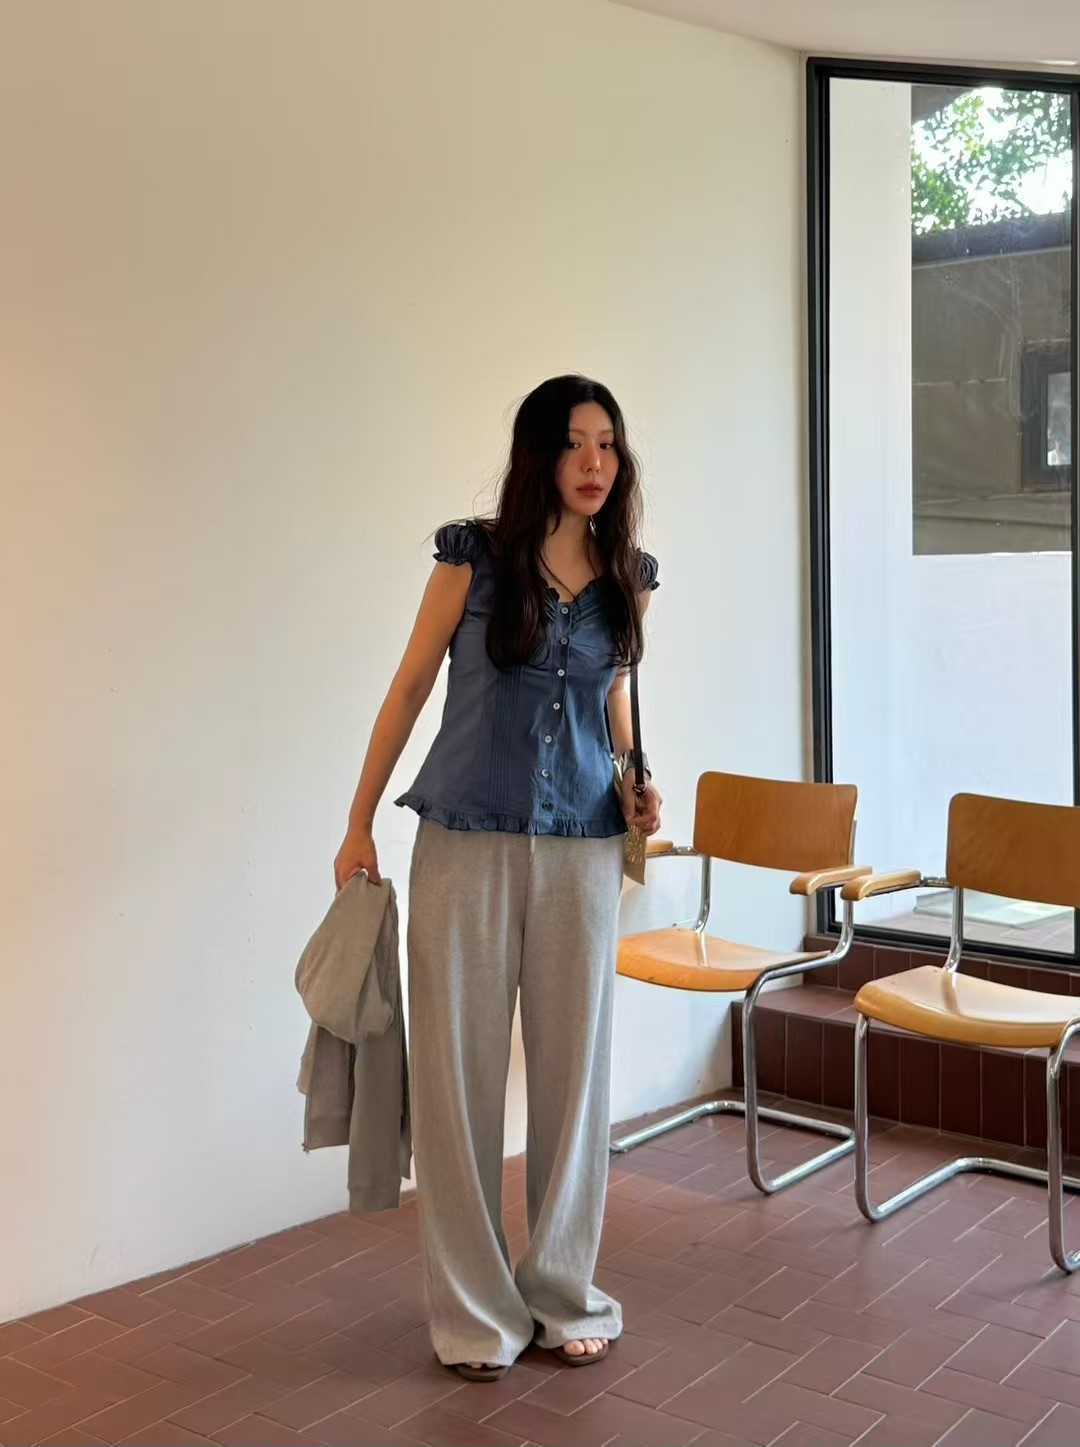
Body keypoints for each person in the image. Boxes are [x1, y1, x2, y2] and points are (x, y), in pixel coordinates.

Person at [333, 375, 662, 1381]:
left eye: (608, 443)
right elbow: (408, 686)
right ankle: (476, 1313)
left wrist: (639, 778)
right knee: (458, 1081)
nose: (595, 462)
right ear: (538, 456)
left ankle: (563, 1292)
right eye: (574, 443)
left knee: (574, 1077)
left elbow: (617, 700)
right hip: (465, 839)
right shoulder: (471, 559)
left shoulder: (629, 575)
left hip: (584, 848)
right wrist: (357, 821)